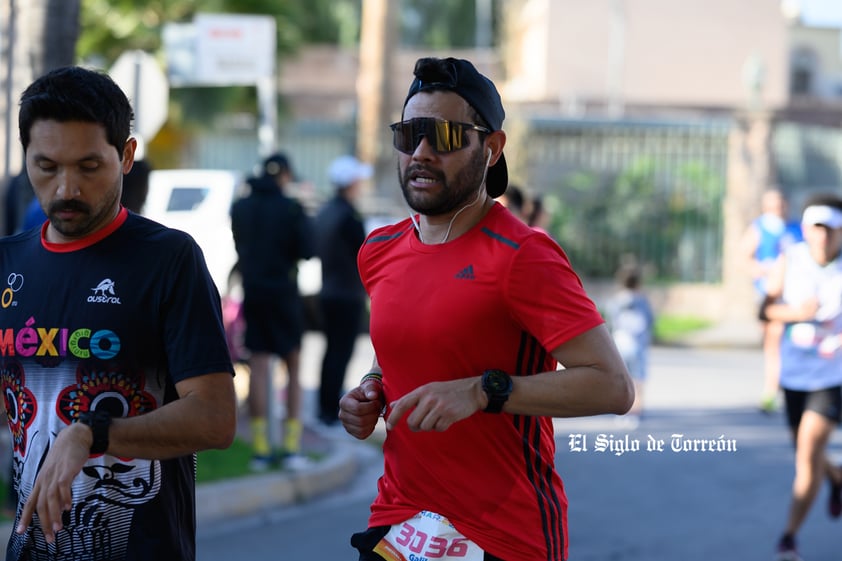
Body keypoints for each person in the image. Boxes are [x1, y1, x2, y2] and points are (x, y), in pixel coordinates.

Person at [339, 56, 634, 561]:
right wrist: (369, 389)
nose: (422, 152)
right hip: (398, 524)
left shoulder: (523, 255)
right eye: (410, 134)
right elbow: (400, 349)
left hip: (502, 535)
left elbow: (612, 386)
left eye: (447, 137)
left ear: (492, 147)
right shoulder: (379, 250)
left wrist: (482, 391)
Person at [0, 66, 237, 560]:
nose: (66, 188)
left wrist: (94, 433)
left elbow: (215, 419)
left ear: (126, 156)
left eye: (88, 167)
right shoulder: (7, 262)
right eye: (47, 166)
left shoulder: (169, 259)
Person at [760, 193, 842, 561]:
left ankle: (789, 537)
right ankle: (838, 479)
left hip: (833, 376)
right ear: (806, 229)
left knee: (807, 455)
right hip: (795, 375)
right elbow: (765, 312)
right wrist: (797, 312)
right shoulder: (789, 261)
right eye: (815, 228)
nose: (822, 237)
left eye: (829, 229)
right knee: (807, 454)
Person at [230, 152, 314, 470]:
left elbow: (239, 245)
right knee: (293, 366)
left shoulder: (241, 206)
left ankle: (261, 450)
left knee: (259, 366)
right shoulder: (291, 208)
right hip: (284, 294)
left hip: (254, 292)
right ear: (285, 176)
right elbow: (308, 251)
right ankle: (291, 448)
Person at [315, 155, 372, 427]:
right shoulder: (349, 216)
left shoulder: (327, 211)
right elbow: (362, 254)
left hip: (328, 292)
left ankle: (325, 405)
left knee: (331, 352)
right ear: (349, 183)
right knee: (340, 352)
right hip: (346, 294)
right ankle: (329, 410)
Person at [741, 189, 803, 414]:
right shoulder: (759, 228)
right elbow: (745, 258)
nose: (779, 208)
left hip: (795, 295)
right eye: (774, 205)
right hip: (770, 295)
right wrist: (762, 271)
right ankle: (772, 389)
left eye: (781, 204)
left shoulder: (796, 228)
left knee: (794, 341)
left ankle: (785, 386)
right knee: (774, 341)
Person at [605, 259, 655, 425]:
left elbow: (610, 321)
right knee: (638, 380)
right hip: (638, 345)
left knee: (621, 380)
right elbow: (649, 320)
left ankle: (622, 411)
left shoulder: (616, 300)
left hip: (620, 344)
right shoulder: (643, 301)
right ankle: (635, 413)